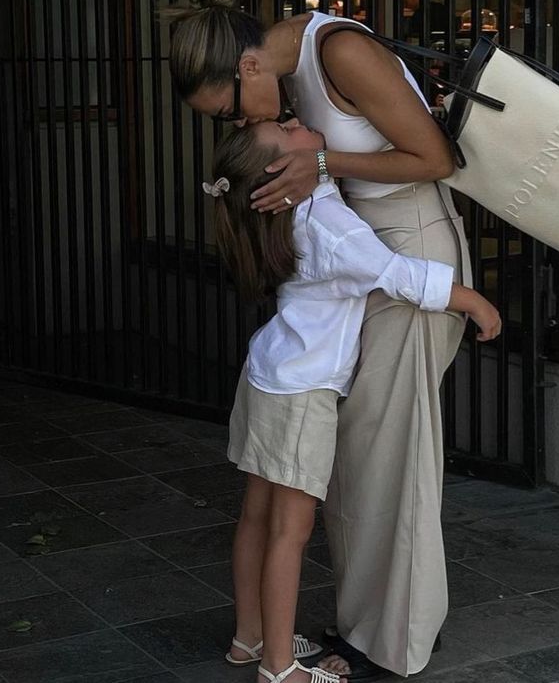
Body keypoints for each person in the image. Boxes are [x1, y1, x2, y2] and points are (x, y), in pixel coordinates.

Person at [163, 0, 476, 679]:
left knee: (391, 452)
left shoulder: (337, 51)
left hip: (406, 252)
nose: (240, 129)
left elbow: (436, 159)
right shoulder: (283, 83)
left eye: (230, 114)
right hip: (364, 258)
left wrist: (325, 164)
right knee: (360, 454)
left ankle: (392, 639)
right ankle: (365, 623)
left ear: (247, 68)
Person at [205, 119, 501, 683]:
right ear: (278, 170)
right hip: (303, 394)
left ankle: (250, 638)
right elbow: (397, 273)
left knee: (255, 516)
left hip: (268, 374)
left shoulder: (294, 213)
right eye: (285, 129)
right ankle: (279, 668)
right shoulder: (329, 223)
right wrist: (471, 300)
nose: (297, 119)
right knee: (289, 532)